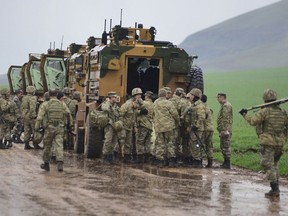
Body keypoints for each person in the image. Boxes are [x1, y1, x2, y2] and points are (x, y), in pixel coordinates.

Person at [239, 89, 288, 197]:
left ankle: (275, 189)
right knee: (274, 164)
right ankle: (276, 187)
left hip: (268, 142)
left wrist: (244, 115)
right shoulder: (283, 112)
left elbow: (253, 122)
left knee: (267, 164)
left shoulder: (264, 111)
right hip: (280, 142)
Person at [35, 89, 72, 172]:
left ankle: (46, 164)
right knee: (59, 145)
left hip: (49, 128)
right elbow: (68, 114)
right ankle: (60, 163)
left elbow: (40, 117)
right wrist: (70, 126)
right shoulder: (62, 104)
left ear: (49, 94)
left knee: (47, 145)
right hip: (60, 127)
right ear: (57, 94)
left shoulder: (45, 104)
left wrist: (36, 128)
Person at [153, 88, 180, 167]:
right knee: (170, 143)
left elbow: (152, 114)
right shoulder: (168, 103)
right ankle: (171, 160)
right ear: (165, 95)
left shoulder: (155, 103)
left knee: (160, 143)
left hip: (158, 127)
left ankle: (160, 161)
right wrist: (177, 122)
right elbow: (175, 114)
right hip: (168, 127)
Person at [119, 88, 143, 163]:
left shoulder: (136, 106)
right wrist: (120, 124)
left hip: (130, 127)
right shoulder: (127, 105)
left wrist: (135, 126)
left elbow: (134, 117)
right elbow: (120, 115)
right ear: (134, 96)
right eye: (138, 95)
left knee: (128, 143)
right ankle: (116, 155)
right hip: (123, 126)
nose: (140, 96)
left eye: (140, 95)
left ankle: (127, 157)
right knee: (121, 141)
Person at [184, 88, 205, 168]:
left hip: (197, 129)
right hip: (193, 128)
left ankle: (197, 161)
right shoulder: (194, 104)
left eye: (192, 95)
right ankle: (195, 159)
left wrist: (196, 126)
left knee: (196, 144)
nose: (190, 96)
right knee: (193, 144)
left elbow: (201, 117)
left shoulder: (199, 105)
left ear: (195, 96)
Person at [101, 91, 120, 164]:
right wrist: (108, 102)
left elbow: (119, 113)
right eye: (114, 97)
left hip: (115, 125)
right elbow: (105, 109)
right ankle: (105, 157)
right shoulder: (106, 104)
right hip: (109, 125)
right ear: (110, 98)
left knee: (113, 141)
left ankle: (110, 157)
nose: (116, 98)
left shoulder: (115, 106)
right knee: (108, 141)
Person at [135, 91, 153, 163]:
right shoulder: (153, 104)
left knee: (140, 141)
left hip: (142, 125)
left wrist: (139, 112)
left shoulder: (144, 103)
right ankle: (147, 158)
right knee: (147, 142)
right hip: (149, 126)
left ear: (146, 96)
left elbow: (135, 111)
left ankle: (140, 158)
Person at [217, 92, 233, 169]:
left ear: (222, 97)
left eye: (218, 97)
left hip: (225, 129)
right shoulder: (224, 105)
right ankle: (225, 162)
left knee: (226, 145)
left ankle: (227, 163)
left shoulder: (226, 106)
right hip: (224, 129)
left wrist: (223, 130)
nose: (217, 99)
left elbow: (225, 119)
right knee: (223, 145)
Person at [201, 94, 214, 168]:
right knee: (209, 146)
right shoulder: (207, 107)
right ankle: (210, 162)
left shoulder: (201, 107)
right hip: (210, 128)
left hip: (205, 129)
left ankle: (200, 161)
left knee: (200, 145)